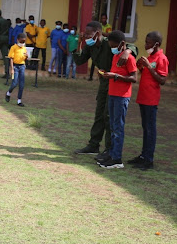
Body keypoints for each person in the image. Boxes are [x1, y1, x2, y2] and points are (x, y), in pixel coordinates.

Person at [72, 21, 137, 159]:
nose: (86, 36)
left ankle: (109, 149)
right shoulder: (90, 47)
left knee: (109, 117)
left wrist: (127, 51)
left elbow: (130, 45)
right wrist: (79, 43)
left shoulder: (109, 42)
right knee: (99, 114)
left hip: (116, 84)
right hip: (104, 83)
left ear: (98, 33)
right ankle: (93, 145)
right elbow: (79, 61)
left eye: (89, 34)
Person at [128, 31, 169, 171]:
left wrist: (149, 67)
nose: (146, 45)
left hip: (151, 99)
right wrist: (141, 66)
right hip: (143, 97)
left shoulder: (161, 58)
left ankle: (149, 159)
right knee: (145, 128)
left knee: (150, 129)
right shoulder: (150, 57)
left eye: (148, 43)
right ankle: (143, 155)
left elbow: (162, 80)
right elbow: (146, 74)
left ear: (156, 44)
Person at [97, 30, 137, 169]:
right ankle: (112, 154)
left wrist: (115, 76)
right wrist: (105, 74)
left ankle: (117, 159)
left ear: (122, 44)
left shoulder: (129, 58)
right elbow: (115, 73)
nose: (112, 48)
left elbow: (134, 78)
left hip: (122, 97)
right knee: (113, 126)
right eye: (111, 46)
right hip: (112, 94)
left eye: (114, 46)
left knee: (118, 128)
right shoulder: (116, 56)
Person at [5, 33, 28, 107]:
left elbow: (25, 58)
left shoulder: (24, 48)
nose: (22, 43)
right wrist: (12, 69)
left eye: (24, 42)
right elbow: (11, 59)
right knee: (14, 83)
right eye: (21, 41)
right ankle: (8, 93)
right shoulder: (13, 47)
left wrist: (27, 57)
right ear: (18, 40)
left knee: (21, 84)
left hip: (22, 66)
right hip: (15, 66)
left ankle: (19, 101)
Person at [89, 14, 113, 81]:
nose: (103, 19)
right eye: (102, 18)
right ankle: (90, 76)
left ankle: (103, 76)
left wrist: (100, 33)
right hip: (98, 44)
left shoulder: (108, 26)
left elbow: (108, 34)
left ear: (106, 18)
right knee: (94, 62)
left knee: (103, 62)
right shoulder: (99, 25)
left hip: (105, 45)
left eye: (104, 18)